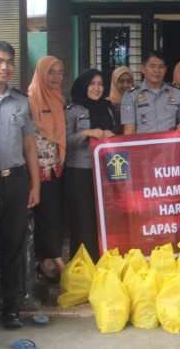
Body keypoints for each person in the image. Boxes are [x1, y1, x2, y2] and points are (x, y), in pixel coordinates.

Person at [0, 40, 40, 330]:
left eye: (9, 62)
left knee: (13, 248)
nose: (5, 67)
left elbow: (29, 145)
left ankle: (11, 310)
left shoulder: (21, 101)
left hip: (15, 182)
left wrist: (35, 185)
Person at [65, 69, 120, 261]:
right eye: (92, 84)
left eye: (100, 84)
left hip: (107, 170)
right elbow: (64, 141)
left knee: (105, 218)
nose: (97, 88)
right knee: (83, 219)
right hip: (80, 171)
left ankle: (105, 262)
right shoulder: (73, 110)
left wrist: (113, 136)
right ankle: (83, 266)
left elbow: (118, 131)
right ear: (83, 86)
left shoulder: (109, 107)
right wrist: (85, 134)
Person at [28, 56, 66, 282]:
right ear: (41, 72)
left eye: (60, 72)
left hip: (56, 168)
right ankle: (47, 261)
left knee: (54, 216)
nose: (56, 77)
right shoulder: (31, 98)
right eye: (51, 72)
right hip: (37, 170)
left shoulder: (58, 98)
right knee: (44, 217)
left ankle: (49, 260)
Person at [122, 50, 180, 134]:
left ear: (165, 69)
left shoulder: (177, 93)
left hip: (169, 146)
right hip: (144, 146)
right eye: (152, 66)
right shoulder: (131, 95)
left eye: (161, 67)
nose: (157, 71)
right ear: (142, 68)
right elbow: (129, 132)